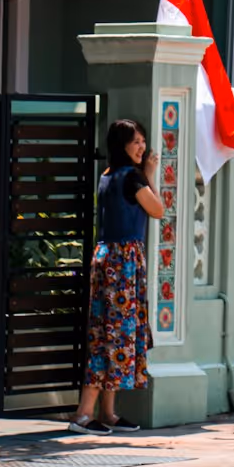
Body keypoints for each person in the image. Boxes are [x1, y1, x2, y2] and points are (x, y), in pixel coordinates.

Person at [70, 120, 165, 435]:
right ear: (121, 145)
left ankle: (108, 413)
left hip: (109, 259)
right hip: (121, 266)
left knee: (108, 334)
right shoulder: (132, 178)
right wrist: (151, 175)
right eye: (135, 141)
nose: (141, 147)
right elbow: (158, 209)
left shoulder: (108, 175)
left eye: (143, 141)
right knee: (113, 338)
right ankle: (85, 415)